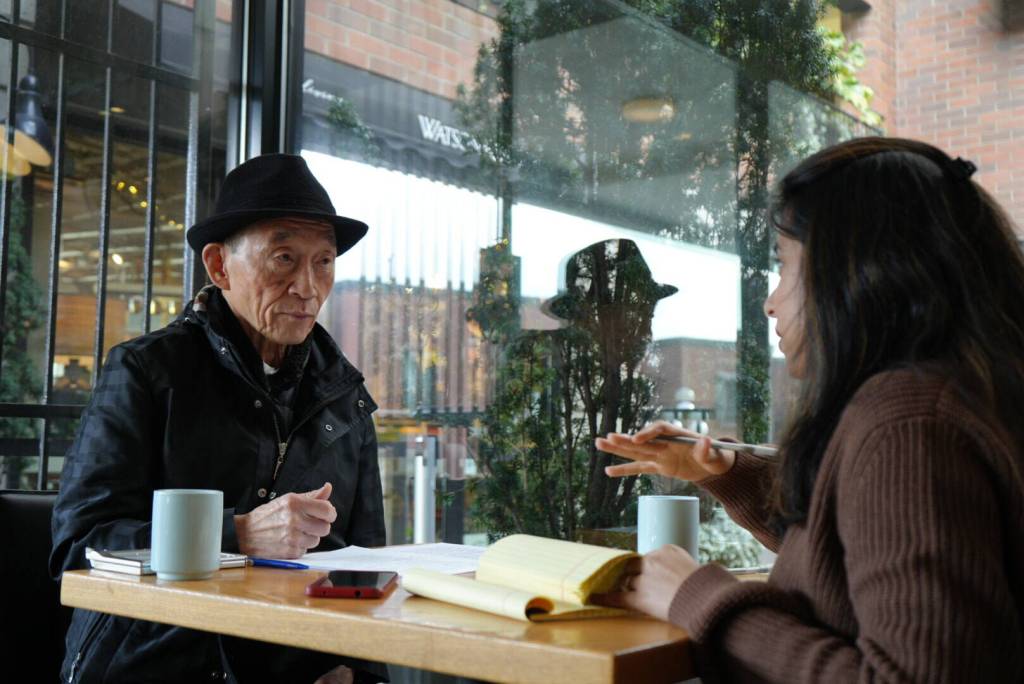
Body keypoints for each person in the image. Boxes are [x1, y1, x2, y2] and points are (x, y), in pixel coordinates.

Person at [593, 137, 1024, 682]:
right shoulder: (961, 395)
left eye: (787, 266)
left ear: (862, 277)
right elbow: (857, 562)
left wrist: (696, 596)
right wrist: (729, 474)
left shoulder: (910, 423)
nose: (772, 300)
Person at [50, 154, 388, 683]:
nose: (308, 286)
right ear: (219, 266)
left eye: (323, 262)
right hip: (152, 663)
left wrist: (356, 669)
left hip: (294, 664)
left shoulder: (344, 396)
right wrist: (238, 536)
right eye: (283, 258)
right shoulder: (147, 371)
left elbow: (369, 567)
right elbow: (80, 546)